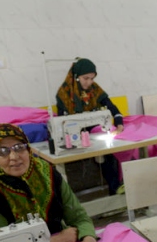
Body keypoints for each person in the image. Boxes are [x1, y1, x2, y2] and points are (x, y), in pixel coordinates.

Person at [54, 57, 125, 195]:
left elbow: (113, 109)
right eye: (86, 78)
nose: (89, 82)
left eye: (92, 78)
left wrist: (119, 124)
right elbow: (63, 121)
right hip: (74, 132)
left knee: (109, 151)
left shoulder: (95, 90)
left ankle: (116, 188)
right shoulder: (63, 94)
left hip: (93, 130)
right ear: (76, 77)